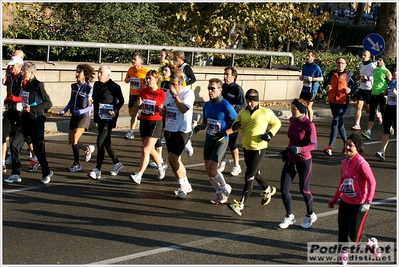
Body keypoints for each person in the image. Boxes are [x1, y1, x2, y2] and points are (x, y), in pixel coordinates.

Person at [226, 89, 282, 216]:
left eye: (252, 101)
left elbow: (277, 123)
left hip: (259, 148)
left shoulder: (265, 112)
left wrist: (270, 134)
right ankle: (267, 189)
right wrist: (234, 126)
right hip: (247, 147)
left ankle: (240, 205)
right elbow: (237, 125)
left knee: (249, 176)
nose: (249, 104)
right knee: (255, 173)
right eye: (248, 101)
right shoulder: (243, 112)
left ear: (257, 101)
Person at [327, 134, 379, 265]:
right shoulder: (344, 162)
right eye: (347, 144)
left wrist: (368, 202)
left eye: (351, 145)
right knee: (342, 231)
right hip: (345, 202)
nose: (348, 147)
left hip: (360, 204)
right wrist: (334, 199)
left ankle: (371, 243)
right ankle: (343, 257)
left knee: (355, 237)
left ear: (358, 147)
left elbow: (372, 182)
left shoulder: (362, 163)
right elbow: (342, 182)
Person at [4, 61, 53, 184]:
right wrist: (22, 110)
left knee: (38, 149)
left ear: (31, 73)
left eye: (24, 71)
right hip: (25, 120)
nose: (21, 73)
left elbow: (48, 103)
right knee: (15, 144)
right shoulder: (24, 85)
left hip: (36, 121)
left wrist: (32, 108)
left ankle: (46, 172)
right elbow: (25, 100)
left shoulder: (38, 85)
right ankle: (15, 173)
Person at [192, 78, 237, 204]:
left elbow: (237, 124)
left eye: (213, 88)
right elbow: (205, 122)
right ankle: (219, 193)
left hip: (221, 140)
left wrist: (225, 132)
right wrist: (200, 127)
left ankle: (224, 187)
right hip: (209, 139)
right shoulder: (207, 105)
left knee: (212, 169)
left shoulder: (226, 106)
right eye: (209, 88)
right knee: (209, 172)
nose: (210, 91)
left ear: (220, 90)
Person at [278, 98, 318, 229]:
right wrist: (288, 150)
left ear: (301, 110)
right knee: (284, 190)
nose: (291, 111)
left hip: (304, 161)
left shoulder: (309, 125)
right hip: (291, 159)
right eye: (291, 108)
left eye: (294, 109)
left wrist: (300, 149)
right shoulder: (292, 120)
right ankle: (290, 216)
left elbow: (314, 145)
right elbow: (293, 139)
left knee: (304, 190)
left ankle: (310, 214)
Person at [129, 70, 168, 184]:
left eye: (150, 78)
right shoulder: (143, 91)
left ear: (156, 79)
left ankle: (139, 175)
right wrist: (138, 104)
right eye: (147, 78)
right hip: (144, 121)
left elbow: (166, 110)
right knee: (149, 149)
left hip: (156, 122)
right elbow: (137, 105)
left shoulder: (162, 94)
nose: (147, 80)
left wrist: (162, 110)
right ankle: (161, 165)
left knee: (145, 150)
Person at [88, 65, 125, 180]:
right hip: (100, 117)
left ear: (108, 75)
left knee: (100, 142)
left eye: (101, 72)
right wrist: (90, 101)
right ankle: (117, 163)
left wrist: (115, 110)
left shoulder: (114, 87)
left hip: (109, 118)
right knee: (106, 141)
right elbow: (95, 98)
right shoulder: (96, 85)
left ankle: (97, 169)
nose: (98, 74)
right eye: (98, 72)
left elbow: (121, 101)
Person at [162, 72, 195, 198]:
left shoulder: (188, 93)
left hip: (182, 130)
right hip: (170, 129)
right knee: (177, 160)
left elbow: (183, 109)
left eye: (174, 84)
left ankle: (181, 185)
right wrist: (162, 111)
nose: (171, 86)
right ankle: (186, 183)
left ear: (181, 84)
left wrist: (175, 95)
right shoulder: (168, 93)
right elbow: (166, 108)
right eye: (170, 83)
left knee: (172, 159)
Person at [58, 64, 96, 172]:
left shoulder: (89, 89)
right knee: (71, 141)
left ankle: (77, 164)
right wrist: (64, 110)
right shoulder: (73, 86)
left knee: (75, 138)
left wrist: (81, 111)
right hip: (74, 116)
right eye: (76, 71)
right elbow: (71, 101)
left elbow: (91, 106)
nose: (77, 74)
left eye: (79, 72)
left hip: (83, 117)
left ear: (85, 74)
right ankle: (87, 149)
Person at [323, 57, 358, 156]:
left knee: (335, 121)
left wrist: (350, 90)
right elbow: (325, 83)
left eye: (342, 63)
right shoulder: (331, 73)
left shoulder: (348, 75)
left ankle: (329, 146)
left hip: (343, 102)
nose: (340, 65)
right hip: (332, 102)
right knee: (340, 123)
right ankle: (346, 143)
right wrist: (327, 87)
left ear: (345, 65)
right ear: (335, 64)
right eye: (338, 63)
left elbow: (355, 85)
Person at [218, 67, 246, 176]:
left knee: (231, 144)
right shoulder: (224, 87)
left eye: (227, 74)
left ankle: (236, 165)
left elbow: (243, 105)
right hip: (223, 119)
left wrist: (231, 107)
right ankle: (224, 160)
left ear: (233, 77)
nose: (225, 76)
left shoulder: (238, 89)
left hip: (234, 121)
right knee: (220, 140)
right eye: (224, 74)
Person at [362, 55, 392, 140]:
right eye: (377, 60)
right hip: (373, 93)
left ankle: (389, 127)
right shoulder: (375, 70)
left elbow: (391, 83)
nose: (378, 61)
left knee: (384, 113)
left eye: (380, 60)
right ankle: (368, 132)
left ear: (384, 62)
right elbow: (371, 78)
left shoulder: (386, 71)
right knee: (372, 113)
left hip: (382, 95)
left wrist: (387, 91)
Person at [173, 50, 197, 157]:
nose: (174, 59)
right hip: (177, 92)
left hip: (185, 94)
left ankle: (188, 140)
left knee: (184, 117)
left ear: (180, 58)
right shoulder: (175, 67)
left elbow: (193, 79)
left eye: (175, 58)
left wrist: (184, 83)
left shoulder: (186, 67)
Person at [124, 53, 149, 140]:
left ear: (140, 61)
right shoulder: (130, 69)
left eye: (135, 59)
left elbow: (149, 82)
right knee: (131, 113)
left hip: (140, 95)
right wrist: (127, 80)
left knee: (134, 113)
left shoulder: (145, 71)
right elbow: (126, 80)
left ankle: (131, 131)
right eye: (133, 59)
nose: (133, 60)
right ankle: (142, 118)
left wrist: (145, 86)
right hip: (132, 94)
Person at [375, 66, 396, 161]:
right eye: (394, 70)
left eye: (397, 71)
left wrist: (396, 93)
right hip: (389, 108)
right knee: (386, 130)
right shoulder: (391, 82)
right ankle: (382, 151)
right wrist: (386, 92)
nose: (395, 72)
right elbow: (389, 93)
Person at [351, 50, 376, 130]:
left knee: (369, 108)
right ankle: (357, 124)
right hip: (362, 88)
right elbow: (362, 74)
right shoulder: (361, 64)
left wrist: (368, 78)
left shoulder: (372, 65)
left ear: (369, 57)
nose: (363, 56)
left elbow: (376, 77)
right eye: (362, 55)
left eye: (365, 55)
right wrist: (359, 77)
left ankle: (378, 114)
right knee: (358, 106)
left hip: (370, 89)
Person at [299, 51, 323, 121]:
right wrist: (301, 78)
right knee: (303, 104)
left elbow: (321, 78)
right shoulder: (304, 66)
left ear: (313, 57)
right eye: (307, 55)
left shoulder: (316, 67)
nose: (307, 57)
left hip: (312, 90)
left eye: (309, 56)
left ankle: (310, 121)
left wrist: (312, 79)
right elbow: (303, 75)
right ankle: (305, 119)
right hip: (305, 88)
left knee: (309, 106)